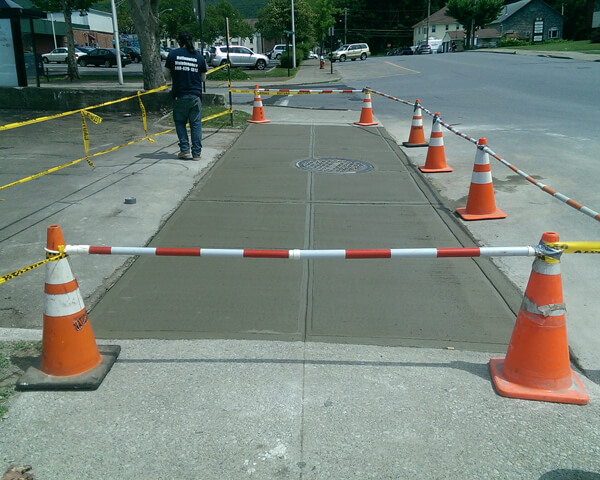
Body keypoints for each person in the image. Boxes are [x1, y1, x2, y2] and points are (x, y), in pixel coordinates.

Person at [164, 31, 207, 161]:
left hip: (179, 95)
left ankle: (184, 150)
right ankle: (197, 153)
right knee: (195, 124)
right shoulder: (199, 57)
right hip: (195, 96)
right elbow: (203, 78)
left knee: (180, 123)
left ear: (179, 42)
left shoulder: (173, 55)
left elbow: (166, 74)